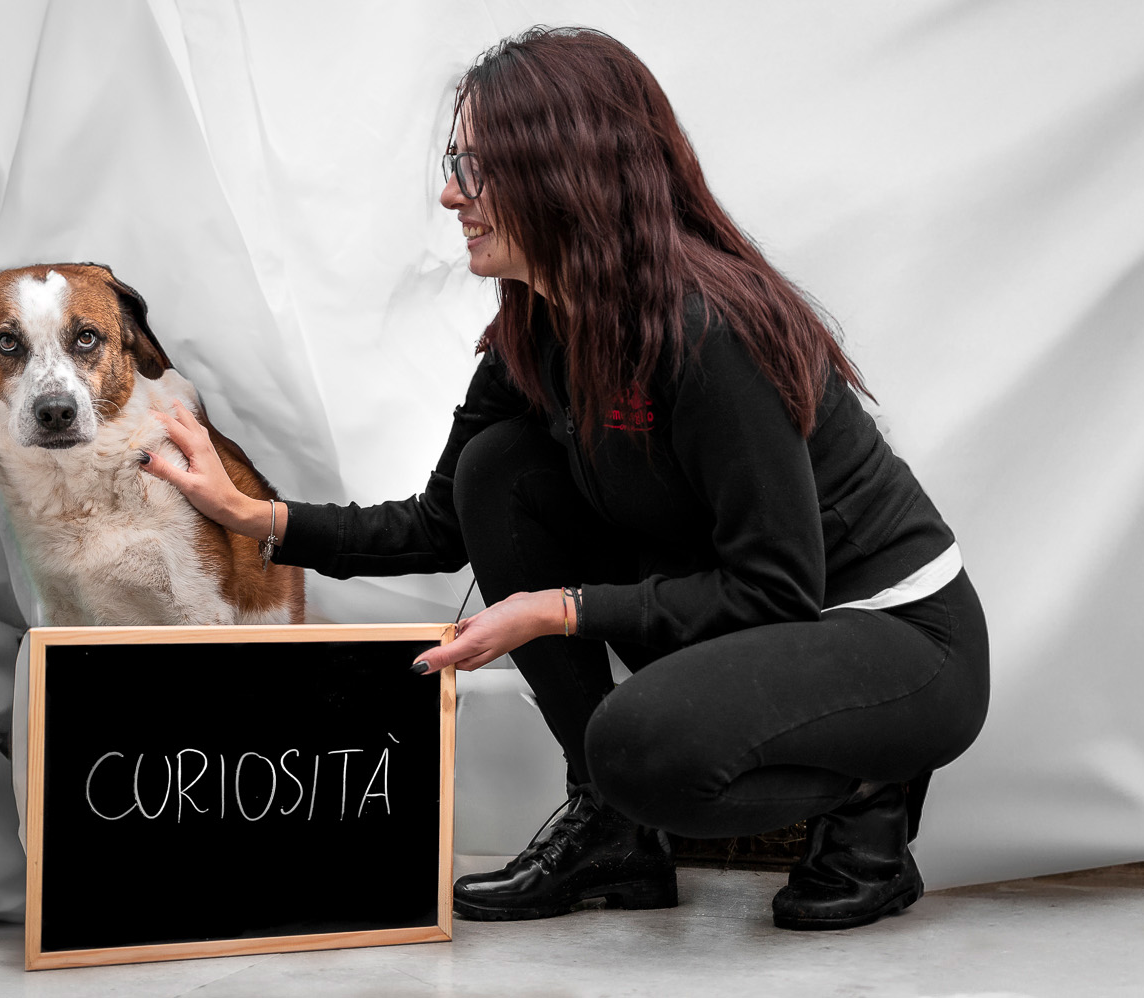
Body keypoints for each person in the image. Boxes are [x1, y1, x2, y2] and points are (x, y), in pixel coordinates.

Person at [138, 26, 989, 931]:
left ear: (561, 171)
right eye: (455, 162)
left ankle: (872, 791)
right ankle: (617, 836)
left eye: (476, 166)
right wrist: (252, 517)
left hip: (897, 636)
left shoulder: (708, 331)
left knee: (640, 748)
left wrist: (560, 609)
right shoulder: (539, 327)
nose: (451, 192)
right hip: (767, 623)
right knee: (498, 471)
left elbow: (774, 588)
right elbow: (439, 525)